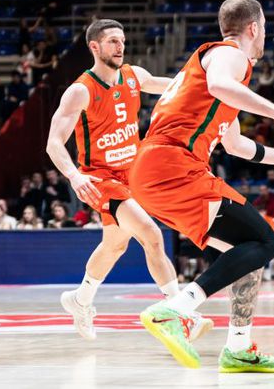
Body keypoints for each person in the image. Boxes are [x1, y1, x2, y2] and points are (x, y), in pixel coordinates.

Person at [128, 0, 274, 371]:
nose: (265, 34)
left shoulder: (219, 80)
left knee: (249, 252)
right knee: (267, 241)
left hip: (155, 171)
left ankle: (238, 347)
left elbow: (234, 144)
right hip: (172, 164)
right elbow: (220, 84)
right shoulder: (230, 55)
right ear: (253, 28)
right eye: (265, 27)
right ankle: (177, 309)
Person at [46, 19, 210, 341]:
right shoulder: (81, 90)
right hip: (100, 178)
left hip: (133, 174)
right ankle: (179, 312)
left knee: (115, 245)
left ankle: (80, 300)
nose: (120, 46)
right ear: (95, 47)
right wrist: (74, 176)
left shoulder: (134, 76)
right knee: (151, 234)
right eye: (112, 41)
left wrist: (209, 84)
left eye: (122, 40)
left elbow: (175, 85)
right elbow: (53, 143)